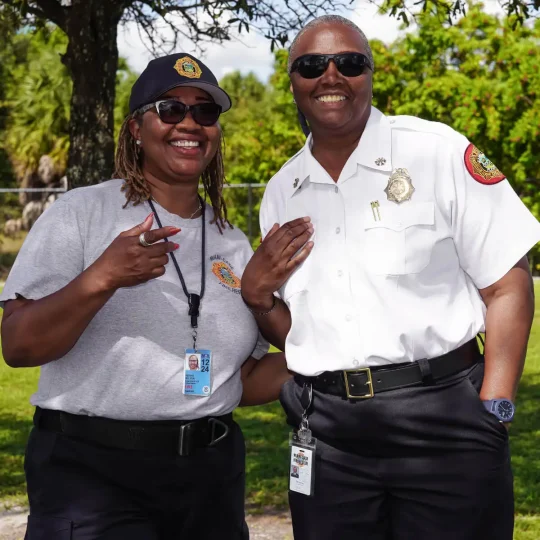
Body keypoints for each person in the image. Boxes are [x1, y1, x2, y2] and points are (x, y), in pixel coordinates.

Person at [240, 15, 540, 540]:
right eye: (312, 65)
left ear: (370, 74)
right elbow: (303, 335)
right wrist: (257, 295)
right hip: (329, 435)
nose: (331, 76)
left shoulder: (435, 152)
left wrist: (495, 405)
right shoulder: (281, 191)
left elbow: (508, 279)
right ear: (293, 81)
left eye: (349, 63)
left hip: (443, 420)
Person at [0, 52, 289, 540]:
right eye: (170, 109)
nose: (190, 123)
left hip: (209, 478)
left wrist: (332, 354)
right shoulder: (82, 213)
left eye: (205, 111)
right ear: (136, 127)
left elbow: (238, 379)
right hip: (94, 477)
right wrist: (101, 278)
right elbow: (18, 345)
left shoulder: (232, 243)